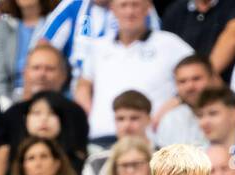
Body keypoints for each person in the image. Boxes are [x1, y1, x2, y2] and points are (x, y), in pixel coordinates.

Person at [74, 0, 191, 145]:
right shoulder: (98, 47)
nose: (130, 12)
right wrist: (87, 113)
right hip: (101, 139)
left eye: (135, 5)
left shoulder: (170, 43)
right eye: (123, 5)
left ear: (148, 8)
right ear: (112, 9)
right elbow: (84, 83)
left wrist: (174, 103)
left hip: (153, 141)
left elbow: (202, 77)